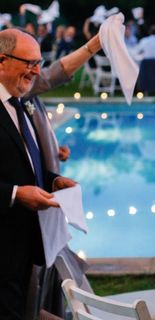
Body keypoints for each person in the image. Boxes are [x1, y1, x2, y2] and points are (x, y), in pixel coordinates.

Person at [0, 29, 77, 319]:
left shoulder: (21, 104)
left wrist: (52, 180)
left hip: (24, 247)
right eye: (29, 62)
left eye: (39, 62)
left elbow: (23, 163)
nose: (36, 70)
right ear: (2, 61)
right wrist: (16, 194)